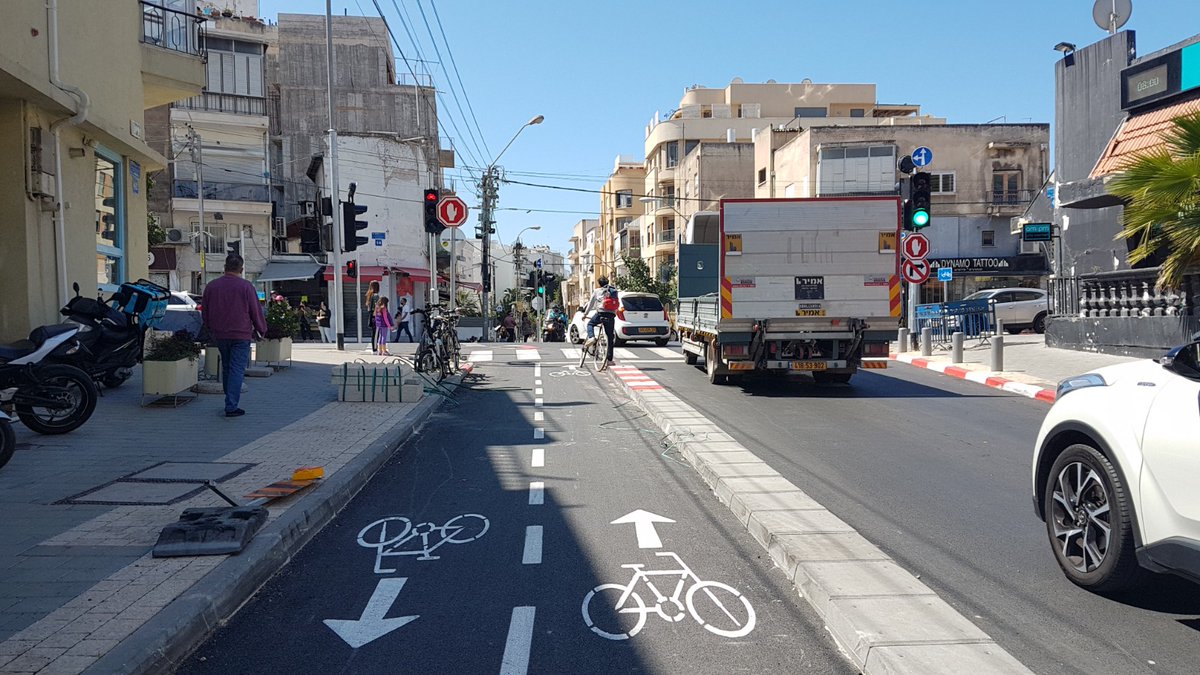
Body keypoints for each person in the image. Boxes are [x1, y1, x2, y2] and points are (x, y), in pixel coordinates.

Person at [202, 254, 267, 418]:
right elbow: (255, 311)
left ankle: (229, 398)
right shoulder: (246, 287)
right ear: (241, 269)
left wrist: (210, 328)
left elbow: (205, 312)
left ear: (224, 267)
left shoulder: (212, 286)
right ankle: (231, 405)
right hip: (241, 334)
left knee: (226, 366)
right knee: (237, 369)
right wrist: (261, 329)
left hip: (220, 334)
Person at [585, 276, 618, 365]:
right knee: (610, 337)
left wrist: (585, 314)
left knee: (590, 324)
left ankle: (592, 337)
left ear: (599, 284)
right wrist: (614, 313)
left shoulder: (597, 291)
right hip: (611, 315)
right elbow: (616, 304)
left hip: (601, 313)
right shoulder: (614, 291)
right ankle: (609, 360)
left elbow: (591, 303)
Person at [365, 280, 381, 352]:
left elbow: (369, 307)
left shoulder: (369, 295)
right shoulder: (376, 296)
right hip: (375, 316)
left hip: (371, 315)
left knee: (374, 333)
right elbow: (376, 307)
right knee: (376, 333)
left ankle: (374, 348)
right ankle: (375, 348)